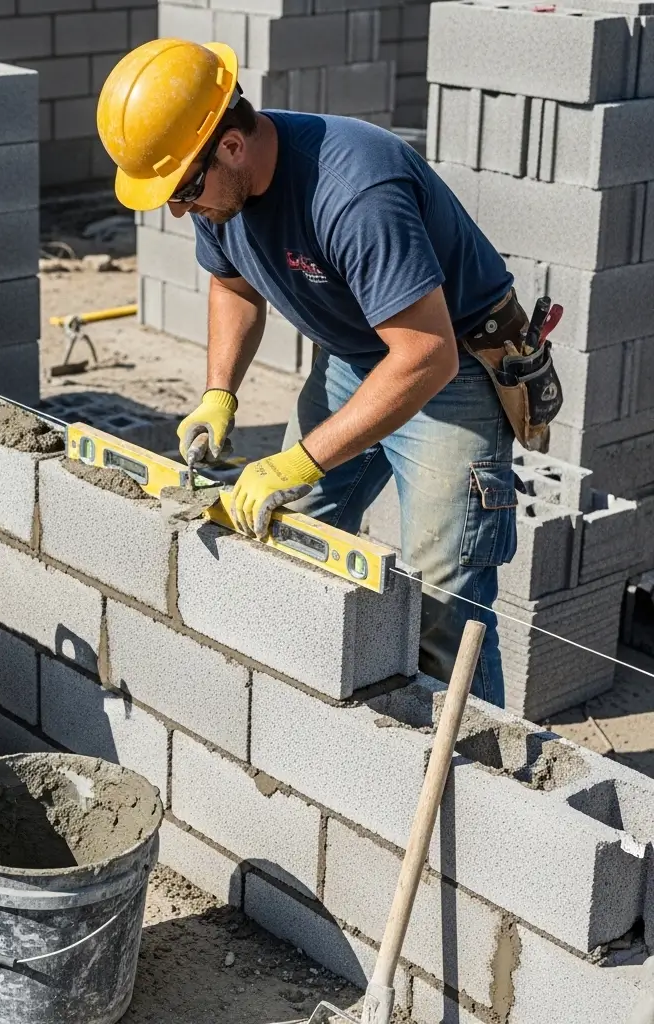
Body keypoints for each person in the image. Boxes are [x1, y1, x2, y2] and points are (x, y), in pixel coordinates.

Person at [95, 38, 564, 707]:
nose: (179, 208)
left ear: (231, 144)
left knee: (442, 613)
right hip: (356, 359)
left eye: (185, 189)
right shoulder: (218, 194)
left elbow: (425, 354)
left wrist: (300, 459)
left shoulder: (352, 192)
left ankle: (477, 782)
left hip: (450, 369)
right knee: (286, 538)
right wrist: (218, 394)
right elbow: (232, 287)